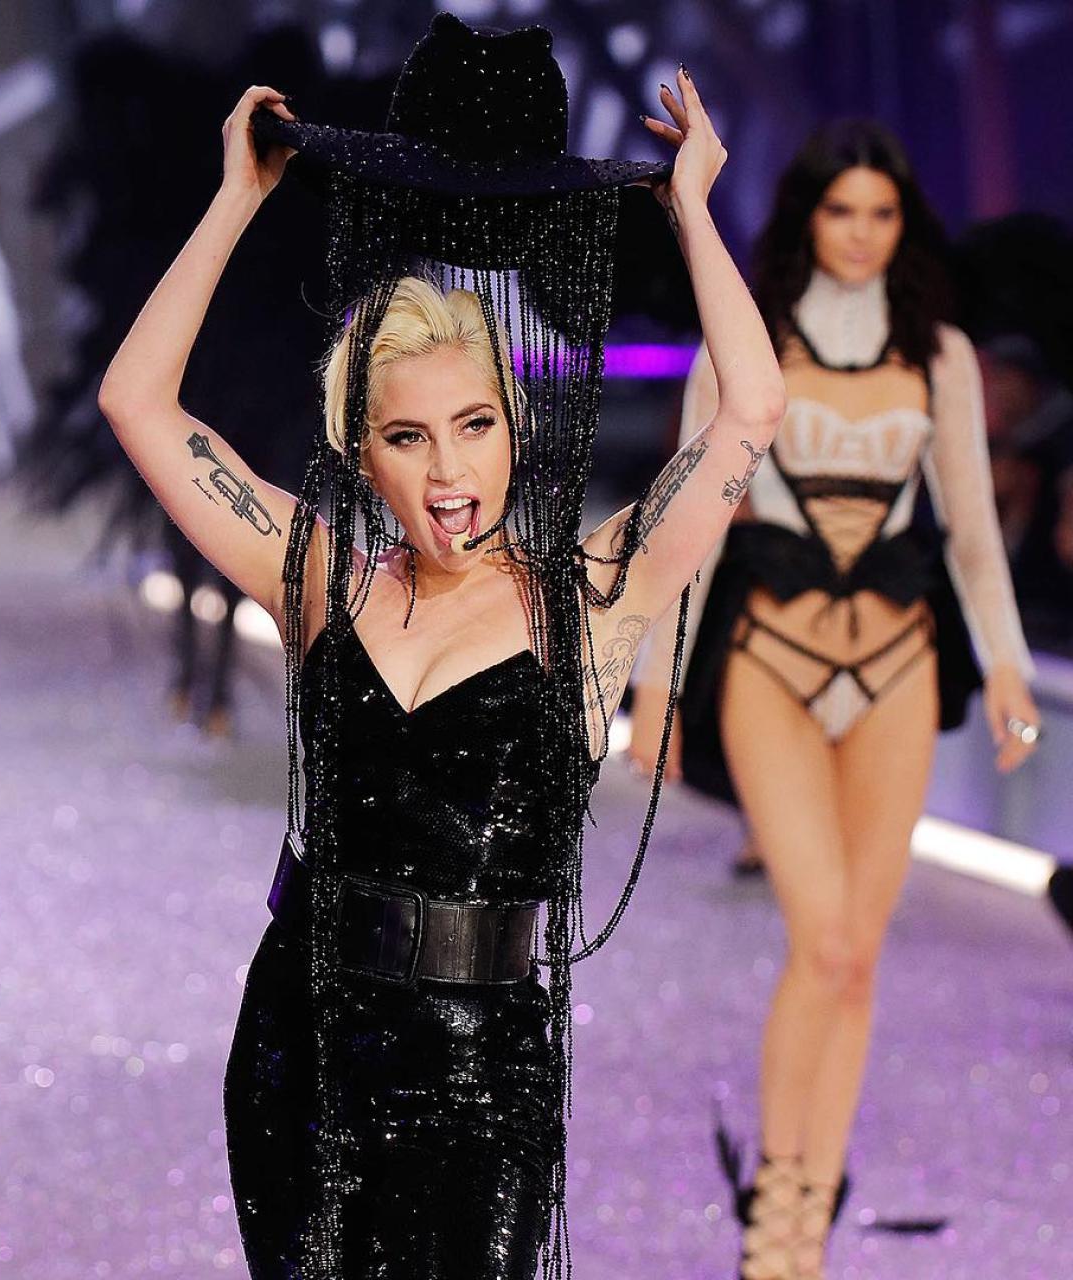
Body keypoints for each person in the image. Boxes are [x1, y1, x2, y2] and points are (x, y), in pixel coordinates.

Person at [99, 15, 783, 1278]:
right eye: (407, 437)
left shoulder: (590, 594)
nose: (448, 470)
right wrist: (236, 200)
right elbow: (135, 402)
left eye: (474, 425)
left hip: (482, 1074)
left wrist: (690, 209)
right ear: (361, 453)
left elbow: (751, 409)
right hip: (300, 1043)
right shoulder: (317, 575)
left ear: (515, 430)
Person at [631, 120, 1041, 1279]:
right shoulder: (744, 340)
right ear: (804, 217)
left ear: (903, 225)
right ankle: (775, 1194)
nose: (860, 234)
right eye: (839, 210)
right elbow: (687, 525)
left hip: (897, 663)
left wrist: (1005, 664)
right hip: (770, 657)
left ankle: (805, 1207)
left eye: (880, 213)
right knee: (819, 934)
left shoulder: (937, 354)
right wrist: (656, 684)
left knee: (853, 951)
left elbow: (968, 531)